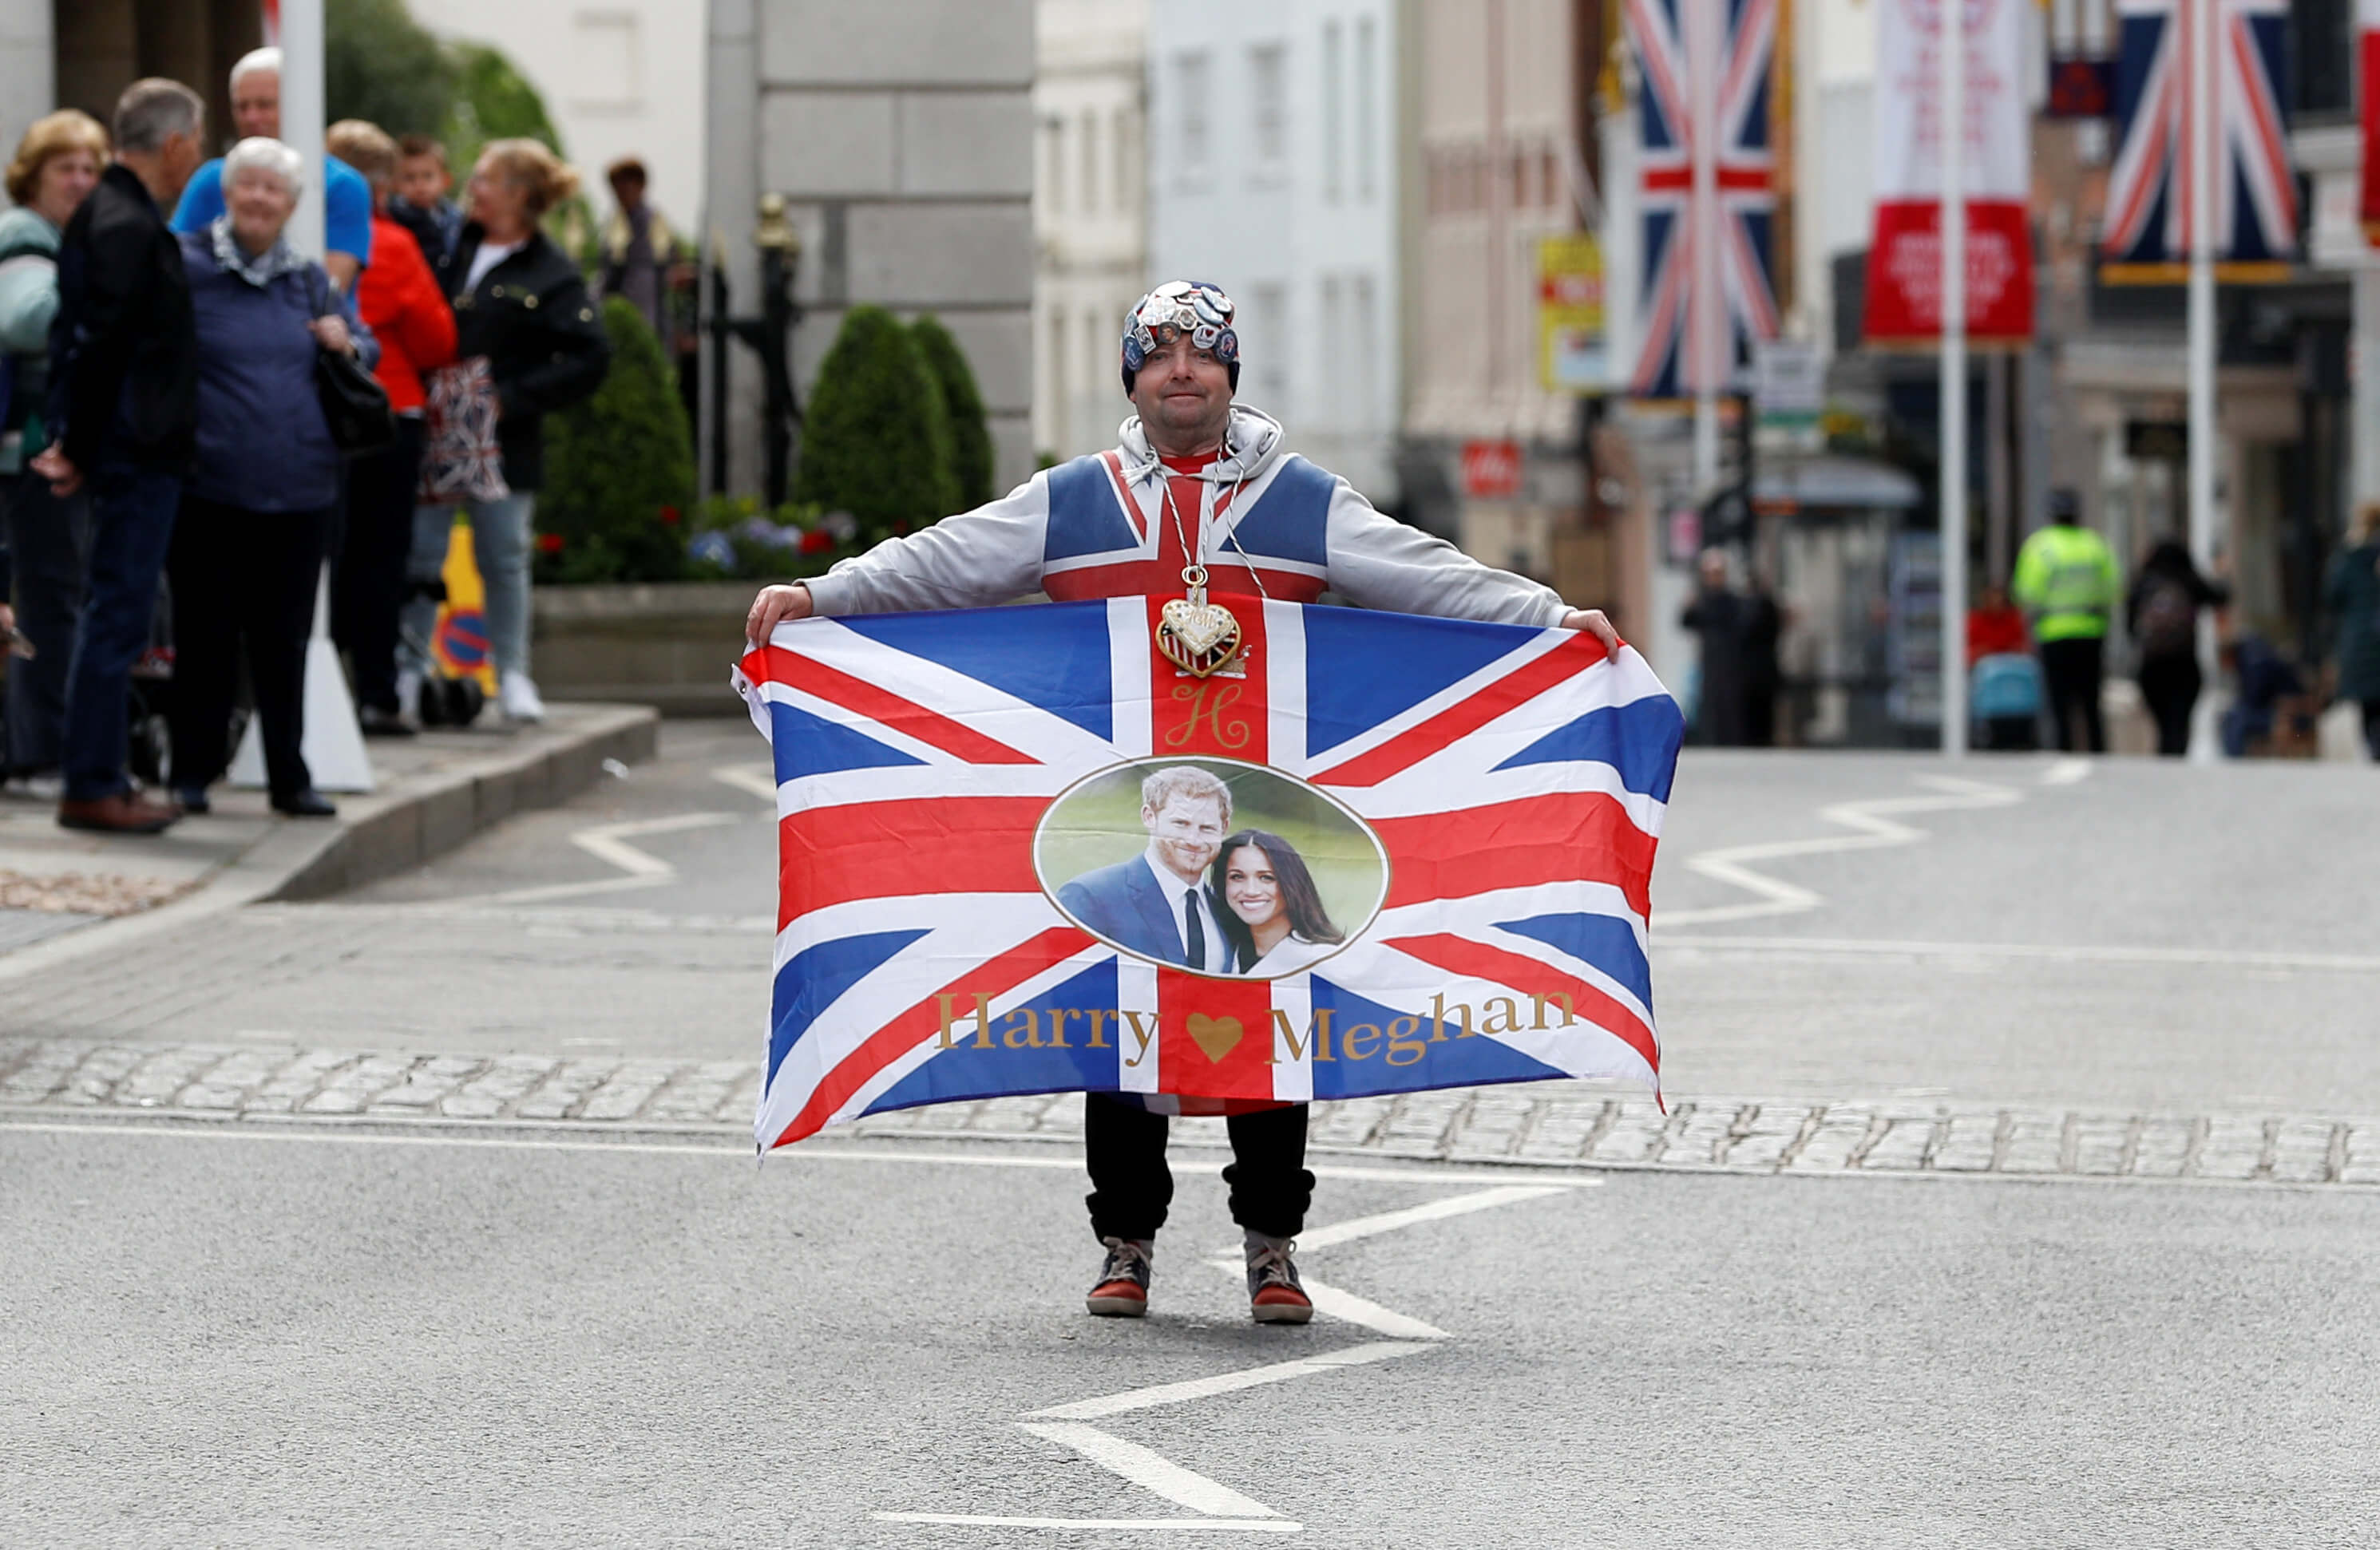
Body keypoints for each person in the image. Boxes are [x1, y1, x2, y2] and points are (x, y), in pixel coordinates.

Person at [744, 278, 1620, 1326]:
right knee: (1118, 1018)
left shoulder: (1299, 500)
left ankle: (1272, 1242)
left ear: (1230, 373)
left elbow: (1426, 574)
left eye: (1201, 355)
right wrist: (826, 595)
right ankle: (1126, 1239)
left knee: (1271, 1010)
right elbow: (949, 561)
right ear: (1134, 377)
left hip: (1261, 816)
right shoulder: (1075, 500)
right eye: (1159, 356)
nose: (1182, 373)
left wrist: (1548, 615)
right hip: (1119, 817)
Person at [168, 138, 374, 819]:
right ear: (226, 194)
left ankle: (290, 777)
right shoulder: (186, 264)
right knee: (205, 636)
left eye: (273, 190)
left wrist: (347, 342)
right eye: (247, 186)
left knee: (282, 642)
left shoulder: (309, 279)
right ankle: (191, 773)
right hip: (209, 487)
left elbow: (362, 343)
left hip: (301, 490)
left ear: (289, 205)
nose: (259, 199)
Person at [33, 79, 206, 834]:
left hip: (130, 445)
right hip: (136, 451)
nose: (197, 159)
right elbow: (98, 347)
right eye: (195, 143)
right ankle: (94, 781)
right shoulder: (125, 223)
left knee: (117, 615)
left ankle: (102, 775)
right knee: (116, 617)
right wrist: (77, 442)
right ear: (172, 145)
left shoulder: (110, 214)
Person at [400, 139, 609, 726]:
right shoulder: (449, 247)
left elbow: (589, 356)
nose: (473, 188)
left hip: (503, 438)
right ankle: (410, 669)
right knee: (420, 553)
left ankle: (513, 672)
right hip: (436, 427)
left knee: (504, 555)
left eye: (486, 179)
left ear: (518, 195)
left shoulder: (551, 272)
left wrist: (512, 399)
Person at [324, 119, 456, 737]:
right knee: (379, 560)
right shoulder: (394, 245)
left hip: (314, 419)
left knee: (325, 557)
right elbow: (438, 340)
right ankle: (375, 693)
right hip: (387, 413)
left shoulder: (299, 238)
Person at [0, 109, 107, 796]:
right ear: (33, 176)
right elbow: (25, 319)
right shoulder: (27, 238)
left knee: (46, 599)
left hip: (33, 450)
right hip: (28, 453)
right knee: (45, 602)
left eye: (90, 168)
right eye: (64, 167)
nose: (79, 180)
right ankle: (39, 751)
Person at [168, 49, 372, 294]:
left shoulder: (342, 185)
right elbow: (171, 266)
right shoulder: (212, 178)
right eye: (242, 107)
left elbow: (328, 292)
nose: (251, 117)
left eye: (265, 105)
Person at [1056, 765, 1235, 974]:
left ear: (1224, 828)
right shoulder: (1091, 897)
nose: (1193, 840)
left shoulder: (1229, 910)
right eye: (1181, 823)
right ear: (1149, 817)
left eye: (1207, 828)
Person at [2011, 489, 2120, 753]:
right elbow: (2114, 588)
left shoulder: (2040, 547)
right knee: (2091, 701)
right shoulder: (2095, 545)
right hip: (2091, 631)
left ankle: (2064, 751)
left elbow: (2025, 592)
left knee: (2060, 702)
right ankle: (2098, 752)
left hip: (2054, 632)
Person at [2128, 538, 2228, 757]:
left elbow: (2130, 624)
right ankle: (2175, 753)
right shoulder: (2188, 581)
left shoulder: (2144, 583)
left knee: (2163, 722)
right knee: (2180, 721)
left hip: (2152, 664)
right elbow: (2221, 597)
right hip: (2184, 663)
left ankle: (2166, 752)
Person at [1212, 829, 1344, 978]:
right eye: (1237, 877)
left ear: (1291, 884)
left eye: (1266, 878)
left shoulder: (1326, 961)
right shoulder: (1221, 957)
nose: (1251, 891)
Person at [596, 156, 680, 342]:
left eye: (624, 187)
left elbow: (654, 272)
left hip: (645, 313)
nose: (619, 194)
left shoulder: (651, 224)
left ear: (640, 186)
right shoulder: (616, 223)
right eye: (616, 189)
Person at [2324, 501, 2380, 761]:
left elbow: (2333, 596)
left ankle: (2374, 751)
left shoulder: (2350, 557)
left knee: (2369, 706)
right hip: (2367, 639)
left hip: (2360, 641)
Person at [1680, 548, 1750, 745]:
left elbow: (1742, 625)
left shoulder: (1732, 600)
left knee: (1730, 701)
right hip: (1709, 657)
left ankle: (1732, 740)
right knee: (1709, 699)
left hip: (1730, 658)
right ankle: (1710, 739)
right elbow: (1686, 622)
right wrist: (1689, 606)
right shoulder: (1701, 600)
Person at [390, 135, 463, 267]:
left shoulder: (456, 219)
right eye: (409, 178)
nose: (419, 185)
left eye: (428, 176)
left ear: (446, 180)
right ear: (395, 184)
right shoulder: (392, 218)